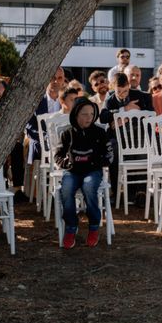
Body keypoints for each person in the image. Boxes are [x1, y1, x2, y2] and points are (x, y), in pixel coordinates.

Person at [54, 98, 113, 249]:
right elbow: (58, 156)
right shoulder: (67, 134)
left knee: (88, 187)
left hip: (92, 171)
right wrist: (67, 163)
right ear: (75, 115)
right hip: (72, 171)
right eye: (84, 114)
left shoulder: (100, 132)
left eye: (92, 114)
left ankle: (94, 225)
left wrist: (96, 162)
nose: (89, 117)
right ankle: (71, 227)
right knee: (65, 189)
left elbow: (109, 155)